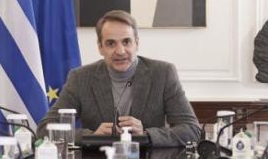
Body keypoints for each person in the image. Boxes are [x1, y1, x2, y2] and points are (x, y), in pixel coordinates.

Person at [36, 10, 200, 147]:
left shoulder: (163, 73)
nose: (120, 51)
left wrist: (146, 135)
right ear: (100, 47)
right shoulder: (80, 78)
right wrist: (91, 136)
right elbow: (44, 130)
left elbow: (191, 130)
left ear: (136, 43)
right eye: (111, 43)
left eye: (126, 42)